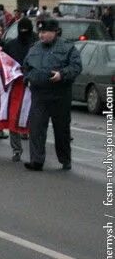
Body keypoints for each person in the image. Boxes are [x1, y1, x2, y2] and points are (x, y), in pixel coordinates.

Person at [22, 18, 82, 171]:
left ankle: (65, 159)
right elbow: (26, 66)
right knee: (36, 128)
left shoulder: (67, 47)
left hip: (59, 94)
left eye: (45, 32)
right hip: (39, 94)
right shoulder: (35, 47)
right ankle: (36, 161)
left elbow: (76, 66)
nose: (41, 35)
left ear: (55, 32)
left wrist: (62, 74)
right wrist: (27, 79)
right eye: (40, 32)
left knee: (61, 130)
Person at [2, 17, 37, 162]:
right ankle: (16, 149)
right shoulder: (11, 45)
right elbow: (3, 62)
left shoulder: (37, 45)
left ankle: (36, 150)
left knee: (35, 118)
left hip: (33, 85)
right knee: (14, 117)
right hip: (15, 84)